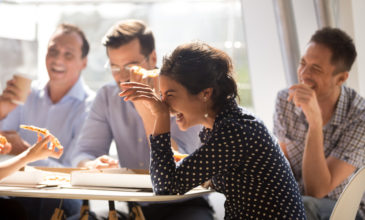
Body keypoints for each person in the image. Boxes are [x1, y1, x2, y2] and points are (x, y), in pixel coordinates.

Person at [120, 42, 306, 219]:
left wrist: (159, 117)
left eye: (170, 95)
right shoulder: (228, 126)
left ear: (205, 94)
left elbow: (166, 187)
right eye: (161, 95)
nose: (164, 104)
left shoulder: (234, 131)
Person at [72, 20, 214, 220]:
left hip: (184, 203)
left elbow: (179, 168)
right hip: (134, 207)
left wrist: (148, 111)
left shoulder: (182, 92)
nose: (122, 78)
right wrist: (91, 165)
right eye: (114, 68)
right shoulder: (107, 96)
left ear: (152, 58)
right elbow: (83, 152)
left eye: (130, 66)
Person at [0, 23, 95, 220]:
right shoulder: (27, 93)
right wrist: (1, 112)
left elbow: (74, 173)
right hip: (17, 186)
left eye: (68, 54)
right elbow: (4, 143)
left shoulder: (90, 106)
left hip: (62, 192)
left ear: (83, 62)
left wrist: (27, 153)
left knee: (50, 200)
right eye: (53, 50)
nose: (58, 59)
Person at [273, 27, 365, 220]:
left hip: (345, 209)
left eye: (316, 68)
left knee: (304, 205)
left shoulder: (359, 117)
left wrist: (315, 122)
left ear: (341, 78)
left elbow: (317, 190)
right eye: (303, 63)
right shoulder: (286, 100)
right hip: (297, 199)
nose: (304, 74)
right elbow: (283, 168)